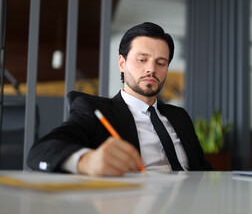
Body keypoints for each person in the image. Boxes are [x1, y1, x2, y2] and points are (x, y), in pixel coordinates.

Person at [27, 22, 212, 176]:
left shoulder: (179, 116)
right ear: (122, 63)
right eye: (142, 60)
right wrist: (85, 161)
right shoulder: (95, 110)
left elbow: (203, 169)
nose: (151, 69)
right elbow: (41, 151)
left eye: (161, 63)